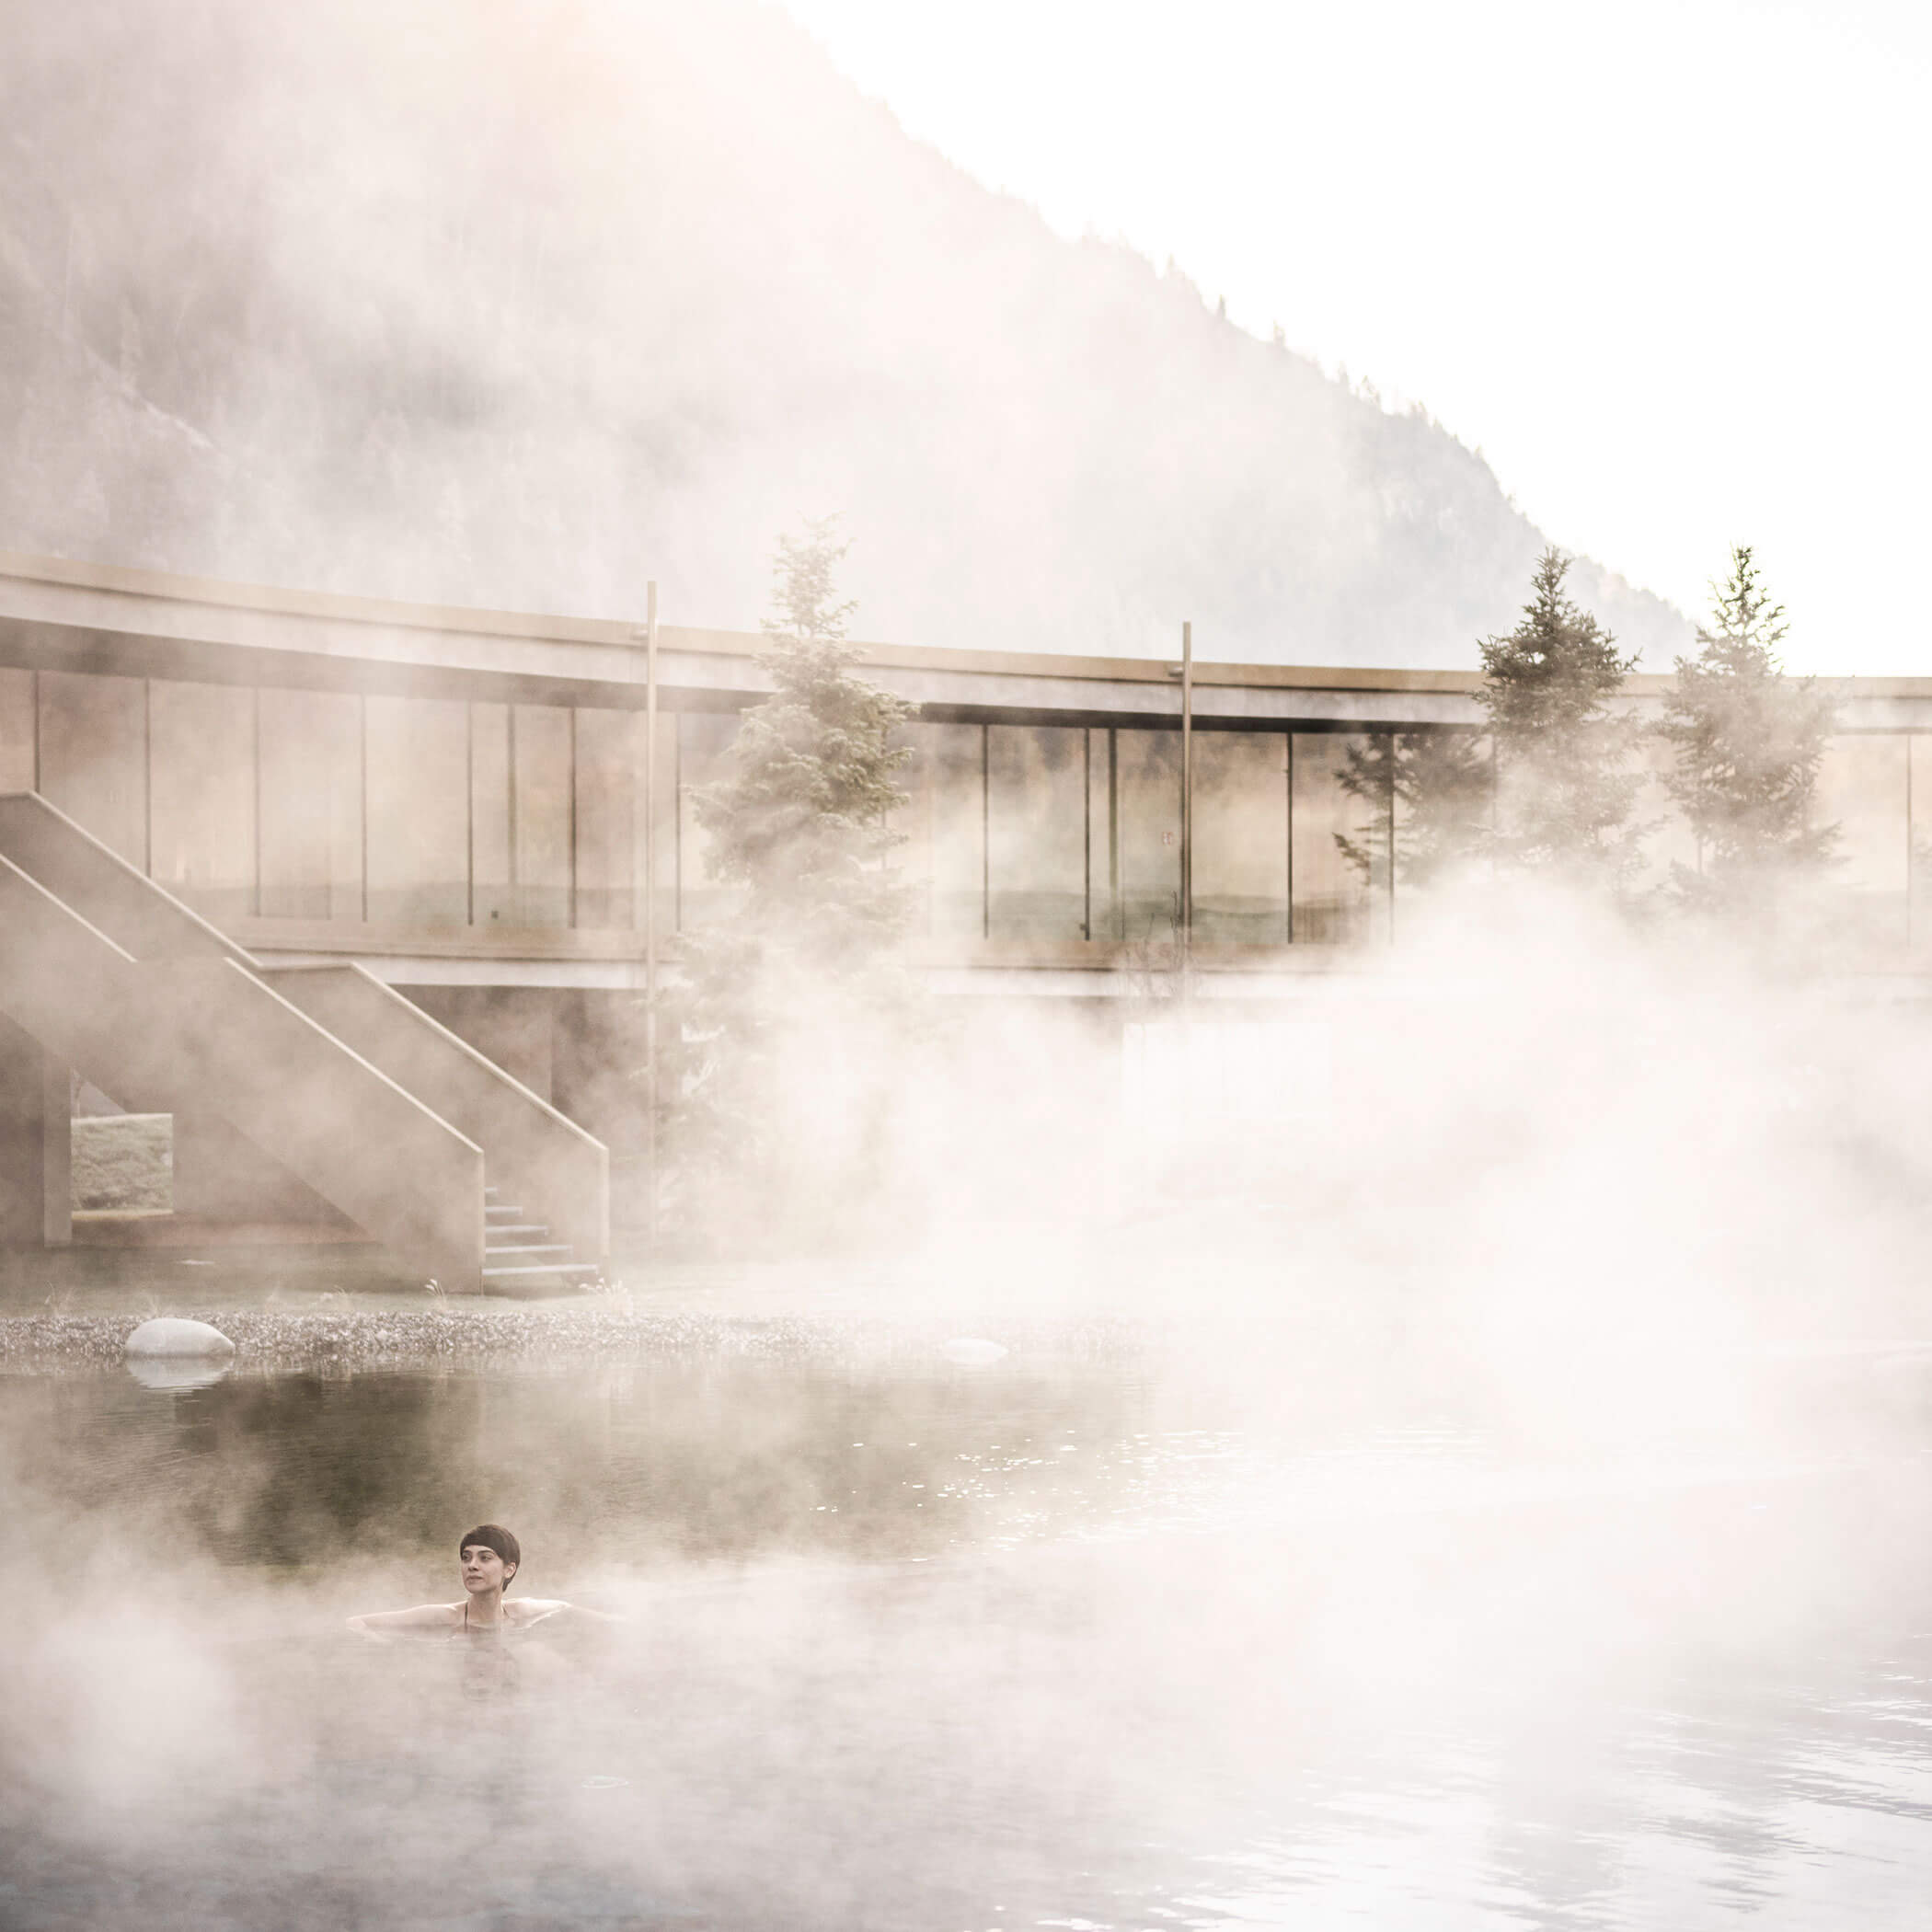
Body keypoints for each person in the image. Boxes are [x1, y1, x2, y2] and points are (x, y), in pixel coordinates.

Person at [347, 1524, 608, 1641]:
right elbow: (356, 1622)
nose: (472, 1565)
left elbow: (564, 1606)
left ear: (509, 1569)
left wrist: (616, 1623)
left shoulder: (521, 1612)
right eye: (466, 1557)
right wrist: (374, 1640)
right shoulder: (445, 1617)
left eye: (485, 1558)